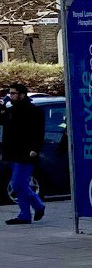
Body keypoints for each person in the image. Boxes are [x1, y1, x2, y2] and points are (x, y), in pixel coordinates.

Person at [2, 84, 47, 225]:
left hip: (27, 154)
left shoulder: (34, 111)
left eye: (13, 93)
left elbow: (39, 132)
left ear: (22, 95)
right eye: (10, 93)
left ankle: (35, 208)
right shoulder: (11, 111)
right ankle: (27, 213)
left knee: (17, 184)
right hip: (14, 153)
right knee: (20, 185)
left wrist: (35, 149)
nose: (11, 96)